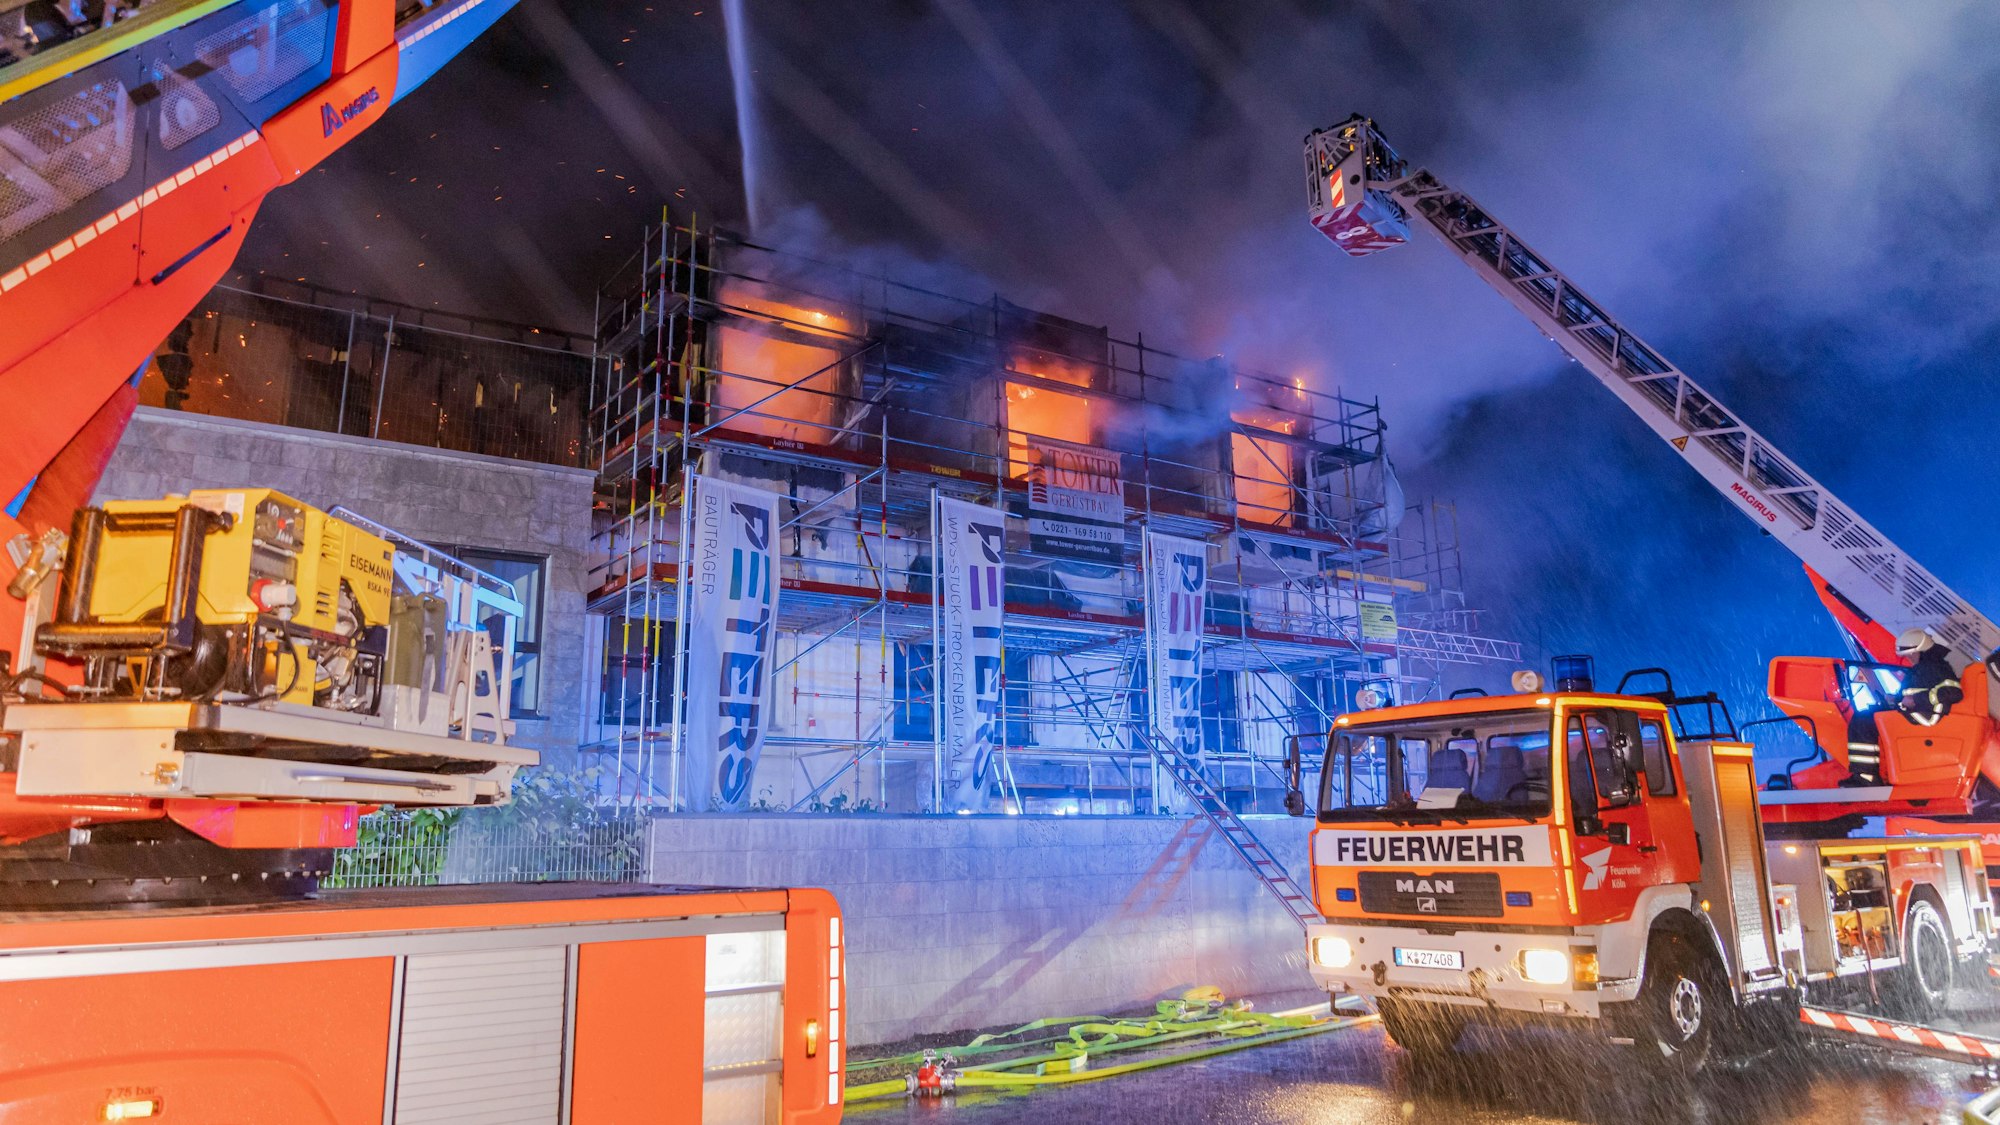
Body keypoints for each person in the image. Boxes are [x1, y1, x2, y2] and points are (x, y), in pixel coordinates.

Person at [1895, 628, 1964, 727]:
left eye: (1911, 654)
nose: (1909, 658)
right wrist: (1895, 699)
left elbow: (1953, 692)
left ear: (1922, 651)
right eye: (1906, 655)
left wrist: (1915, 699)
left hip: (1928, 721)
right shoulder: (1919, 669)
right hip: (1917, 718)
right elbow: (1909, 693)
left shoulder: (1935, 667)